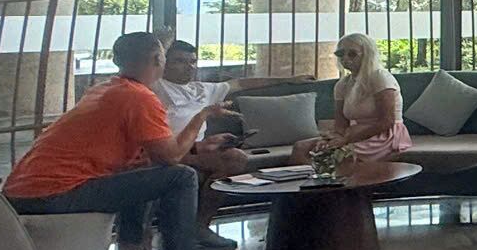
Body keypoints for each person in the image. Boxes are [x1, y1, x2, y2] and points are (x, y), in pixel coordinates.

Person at [3, 30, 238, 250]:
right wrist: (202, 115)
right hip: (54, 193)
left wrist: (198, 147)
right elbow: (171, 157)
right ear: (158, 60)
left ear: (117, 60)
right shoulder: (139, 97)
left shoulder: (105, 89)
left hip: (23, 192)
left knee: (143, 170)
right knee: (181, 176)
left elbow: (154, 153)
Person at [155, 39, 293, 181]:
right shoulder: (156, 87)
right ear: (164, 63)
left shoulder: (202, 89)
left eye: (193, 62)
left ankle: (210, 193)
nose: (190, 67)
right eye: (180, 61)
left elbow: (240, 84)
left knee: (236, 157)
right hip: (171, 151)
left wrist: (289, 80)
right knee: (232, 159)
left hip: (197, 148)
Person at [293, 32, 414, 166]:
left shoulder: (380, 77)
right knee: (300, 148)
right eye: (340, 54)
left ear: (367, 54)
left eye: (352, 54)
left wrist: (346, 140)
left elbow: (387, 121)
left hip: (386, 135)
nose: (345, 58)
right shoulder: (342, 84)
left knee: (336, 156)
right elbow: (341, 124)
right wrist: (332, 139)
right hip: (355, 134)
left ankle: (325, 177)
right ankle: (307, 178)